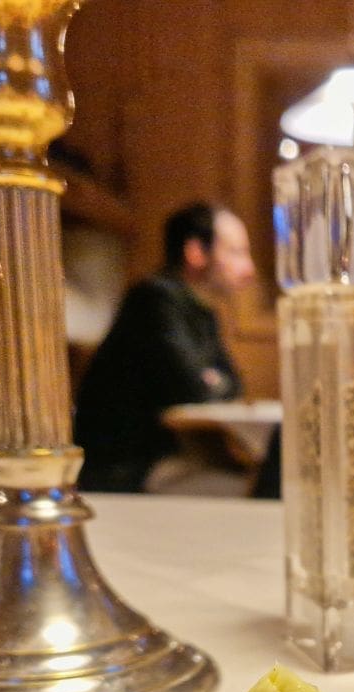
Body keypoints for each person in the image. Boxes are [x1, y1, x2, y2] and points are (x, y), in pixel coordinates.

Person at [73, 201, 257, 492]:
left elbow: (233, 385)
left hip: (166, 459)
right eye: (235, 252)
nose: (249, 269)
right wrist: (209, 381)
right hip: (124, 471)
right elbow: (194, 389)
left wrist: (211, 381)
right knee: (255, 492)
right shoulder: (154, 300)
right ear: (196, 252)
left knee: (260, 479)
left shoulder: (202, 311)